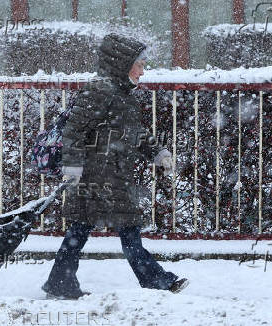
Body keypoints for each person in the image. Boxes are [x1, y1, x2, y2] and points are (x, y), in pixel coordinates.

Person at [41, 33, 189, 299]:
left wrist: (158, 153)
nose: (143, 72)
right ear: (124, 63)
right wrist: (72, 168)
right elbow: (74, 131)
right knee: (113, 229)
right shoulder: (99, 91)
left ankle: (60, 282)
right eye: (140, 64)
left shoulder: (123, 93)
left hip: (114, 175)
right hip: (93, 176)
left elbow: (134, 132)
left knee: (85, 230)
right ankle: (157, 282)